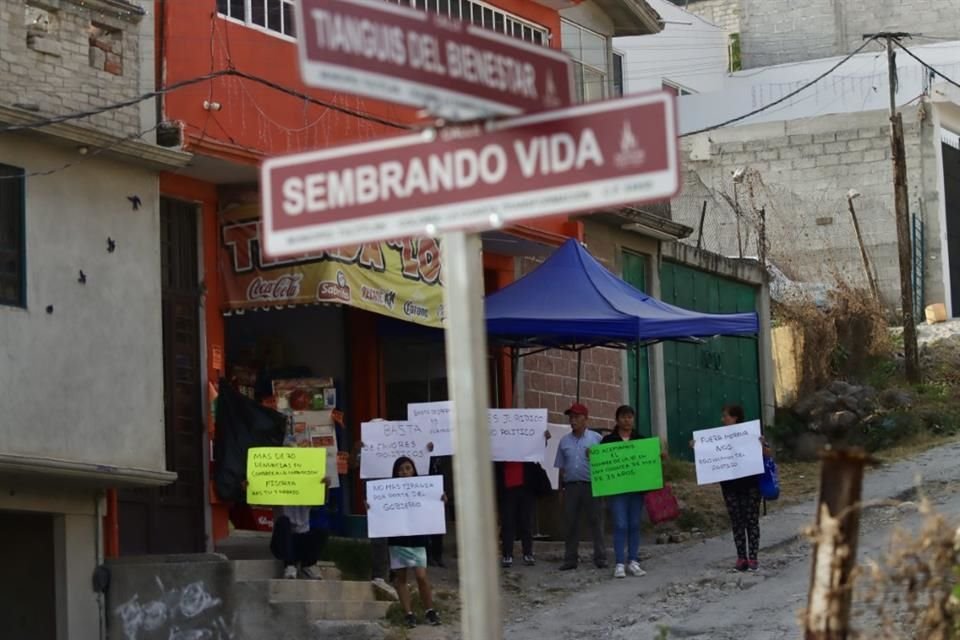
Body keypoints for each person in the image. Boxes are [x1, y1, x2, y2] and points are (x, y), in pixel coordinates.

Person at [713, 404, 772, 572]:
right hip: (730, 486)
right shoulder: (718, 437)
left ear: (735, 418)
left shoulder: (750, 433)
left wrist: (762, 445)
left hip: (750, 485)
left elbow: (768, 454)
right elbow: (710, 454)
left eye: (725, 416)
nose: (723, 419)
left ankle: (753, 557)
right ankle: (741, 557)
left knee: (751, 520)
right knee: (737, 521)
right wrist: (699, 446)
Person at [388, 456, 442, 628]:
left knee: (421, 576)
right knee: (401, 578)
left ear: (414, 470)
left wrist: (440, 500)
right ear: (395, 473)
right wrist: (371, 506)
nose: (404, 472)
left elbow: (433, 506)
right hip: (397, 540)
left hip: (418, 539)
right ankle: (408, 614)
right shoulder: (388, 492)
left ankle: (430, 610)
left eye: (408, 468)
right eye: (400, 470)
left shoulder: (423, 490)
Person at [554, 402, 606, 571]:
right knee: (570, 523)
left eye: (576, 417)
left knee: (596, 522)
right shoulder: (564, 441)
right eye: (571, 417)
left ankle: (600, 558)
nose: (572, 420)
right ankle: (570, 559)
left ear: (585, 419)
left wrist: (595, 457)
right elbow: (561, 467)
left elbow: (607, 462)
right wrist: (560, 489)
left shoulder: (596, 439)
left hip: (592, 486)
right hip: (571, 488)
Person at [600, 405, 648, 579]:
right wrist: (592, 455)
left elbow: (648, 462)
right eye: (623, 417)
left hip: (636, 490)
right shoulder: (608, 441)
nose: (627, 420)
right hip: (617, 491)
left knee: (634, 524)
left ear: (633, 419)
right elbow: (600, 462)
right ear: (617, 420)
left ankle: (633, 561)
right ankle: (620, 562)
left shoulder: (641, 440)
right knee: (620, 525)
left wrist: (658, 457)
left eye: (630, 417)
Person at [495, 460, 550, 568]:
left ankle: (528, 553)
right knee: (508, 523)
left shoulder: (527, 454)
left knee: (526, 523)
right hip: (507, 490)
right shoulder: (502, 455)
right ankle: (507, 554)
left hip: (526, 489)